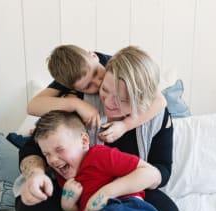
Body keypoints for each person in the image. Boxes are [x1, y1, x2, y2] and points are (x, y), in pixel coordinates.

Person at [15, 46, 180, 211]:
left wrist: (118, 187)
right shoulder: (79, 96)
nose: (109, 103)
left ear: (142, 99)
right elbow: (34, 146)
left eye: (123, 100)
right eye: (105, 90)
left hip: (126, 189)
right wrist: (36, 174)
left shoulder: (155, 116)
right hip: (72, 187)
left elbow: (162, 169)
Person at [33, 110, 169, 211]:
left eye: (59, 149)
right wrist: (69, 208)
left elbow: (150, 173)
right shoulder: (64, 178)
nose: (53, 160)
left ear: (84, 141)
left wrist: (105, 193)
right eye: (47, 154)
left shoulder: (99, 156)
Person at [27, 44, 167, 143]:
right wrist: (76, 104)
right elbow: (32, 106)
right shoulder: (71, 78)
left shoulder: (115, 65)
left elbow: (160, 101)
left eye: (96, 73)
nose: (98, 82)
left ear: (93, 56)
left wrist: (125, 126)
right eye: (88, 86)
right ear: (71, 87)